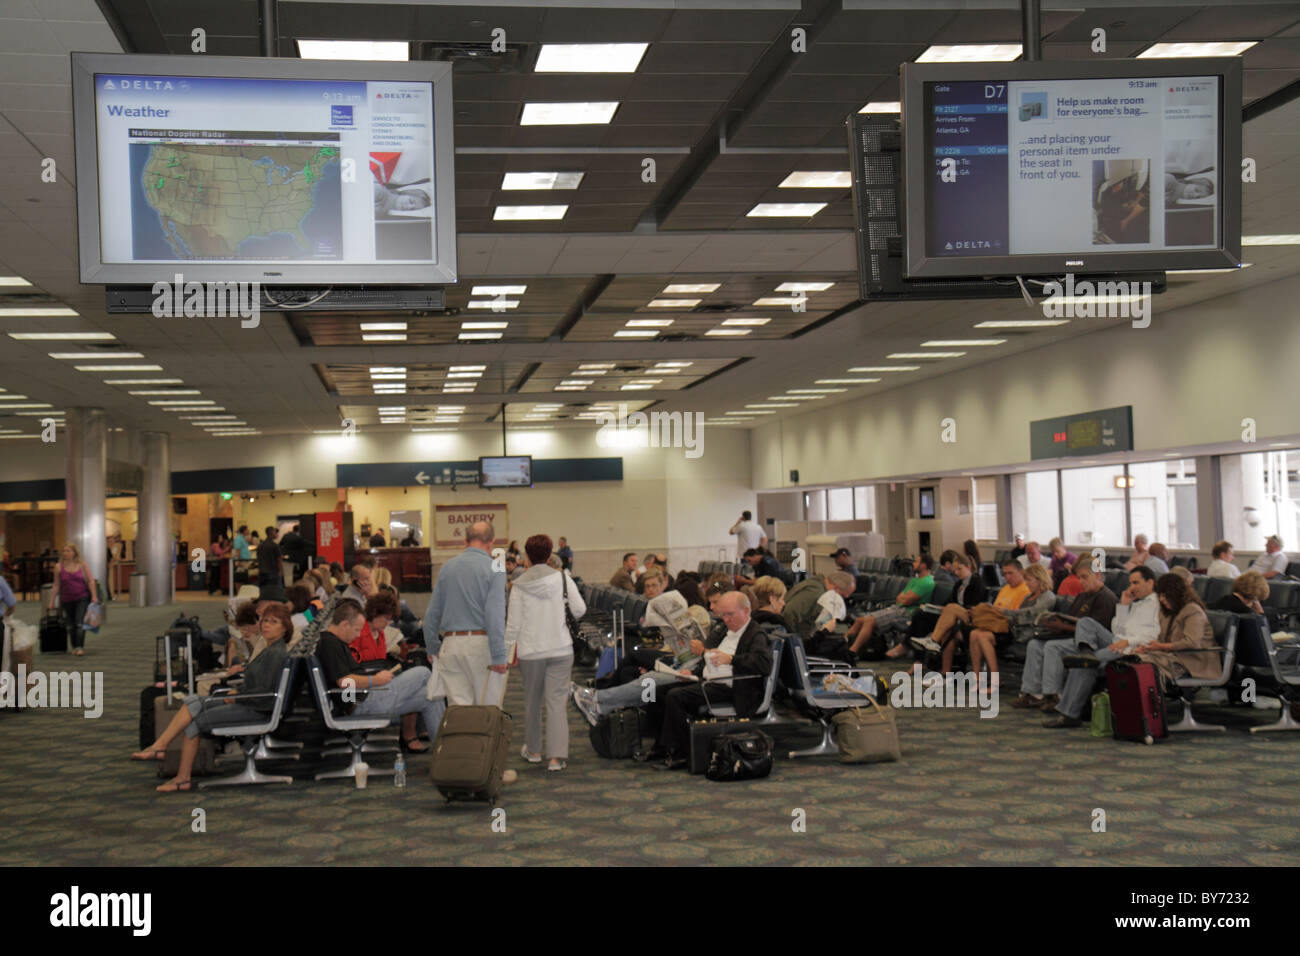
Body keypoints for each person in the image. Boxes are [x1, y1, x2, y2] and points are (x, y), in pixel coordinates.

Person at [133, 604, 293, 792]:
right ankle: (160, 747)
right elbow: (257, 685)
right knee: (192, 701)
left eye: (273, 622)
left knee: (195, 722)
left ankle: (181, 777)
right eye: (265, 620)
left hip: (256, 709)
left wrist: (237, 697)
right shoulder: (269, 649)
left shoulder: (275, 654)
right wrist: (237, 693)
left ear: (284, 628)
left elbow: (265, 694)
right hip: (249, 702)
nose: (266, 625)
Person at [644, 591, 773, 770]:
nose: (726, 619)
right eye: (723, 614)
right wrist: (692, 671)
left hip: (732, 686)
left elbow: (764, 664)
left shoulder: (755, 634)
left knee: (675, 697)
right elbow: (708, 656)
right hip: (707, 680)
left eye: (730, 614)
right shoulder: (724, 631)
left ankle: (683, 752)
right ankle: (660, 745)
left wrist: (731, 659)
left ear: (746, 611)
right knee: (654, 691)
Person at [1038, 566, 1162, 726]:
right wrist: (1124, 606)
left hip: (1132, 648)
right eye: (1130, 583)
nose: (1132, 587)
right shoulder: (1135, 603)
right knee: (1085, 622)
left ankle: (1069, 715)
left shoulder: (1157, 604)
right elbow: (1117, 629)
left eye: (1136, 583)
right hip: (1116, 641)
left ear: (1150, 583)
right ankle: (1086, 650)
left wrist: (1129, 641)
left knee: (1084, 664)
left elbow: (1155, 634)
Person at [317, 600, 441, 754]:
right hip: (361, 703)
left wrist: (373, 677)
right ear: (344, 625)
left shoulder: (333, 642)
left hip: (365, 697)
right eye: (356, 630)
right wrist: (374, 680)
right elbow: (344, 682)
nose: (357, 635)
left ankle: (444, 752)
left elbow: (348, 677)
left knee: (430, 697)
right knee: (423, 672)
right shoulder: (329, 644)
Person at [508, 534, 586, 773]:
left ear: (527, 556)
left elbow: (513, 624)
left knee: (532, 702)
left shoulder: (518, 585)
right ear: (551, 553)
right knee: (556, 702)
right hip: (561, 648)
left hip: (531, 652)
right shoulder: (563, 579)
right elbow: (580, 609)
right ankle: (556, 757)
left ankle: (533, 751)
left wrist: (505, 653)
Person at [1010, 562, 1118, 713]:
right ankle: (1033, 693)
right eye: (1079, 577)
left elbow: (1095, 631)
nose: (1081, 581)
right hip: (1071, 636)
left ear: (1098, 576)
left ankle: (1054, 695)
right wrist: (1056, 624)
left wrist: (1062, 626)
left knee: (1052, 647)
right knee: (1035, 644)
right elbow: (1070, 619)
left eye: (1084, 577)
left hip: (1090, 644)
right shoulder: (1082, 596)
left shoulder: (1106, 598)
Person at [422, 520, 508, 706]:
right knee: (488, 711)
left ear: (465, 541)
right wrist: (499, 655)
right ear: (491, 542)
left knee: (459, 713)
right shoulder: (496, 568)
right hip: (480, 646)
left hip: (450, 645)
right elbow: (494, 615)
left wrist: (432, 647)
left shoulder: (447, 567)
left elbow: (431, 615)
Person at [969, 562, 1057, 686]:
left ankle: (995, 681)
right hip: (1016, 629)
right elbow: (1018, 615)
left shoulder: (1048, 597)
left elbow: (1032, 613)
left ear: (1039, 579)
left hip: (1026, 634)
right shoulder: (1029, 597)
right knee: (974, 633)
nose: (1026, 583)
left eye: (1029, 580)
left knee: (983, 636)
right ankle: (977, 678)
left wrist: (1005, 612)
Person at [848, 556, 935, 658]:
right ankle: (843, 644)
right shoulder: (915, 580)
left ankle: (851, 652)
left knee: (869, 621)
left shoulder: (927, 582)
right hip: (898, 608)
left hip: (908, 613)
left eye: (916, 562)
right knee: (859, 620)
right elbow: (899, 598)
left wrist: (903, 599)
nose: (913, 564)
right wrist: (903, 599)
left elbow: (906, 600)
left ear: (923, 565)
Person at [50, 543, 99, 657]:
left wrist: (94, 596)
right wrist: (51, 601)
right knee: (70, 624)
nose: (65, 553)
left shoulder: (82, 565)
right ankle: (74, 646)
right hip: (66, 599)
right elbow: (56, 585)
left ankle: (79, 646)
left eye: (68, 551)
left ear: (74, 553)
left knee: (79, 622)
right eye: (64, 551)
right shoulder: (58, 567)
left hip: (82, 597)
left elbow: (91, 581)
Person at [784, 570, 857, 643]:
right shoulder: (815, 592)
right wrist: (793, 642)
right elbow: (789, 613)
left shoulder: (818, 586)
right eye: (842, 596)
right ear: (836, 588)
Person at [256, 526, 283, 598]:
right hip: (273, 572)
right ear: (272, 533)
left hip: (262, 571)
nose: (276, 534)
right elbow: (279, 559)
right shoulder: (274, 545)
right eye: (275, 532)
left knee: (263, 592)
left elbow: (258, 558)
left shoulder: (260, 545)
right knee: (275, 592)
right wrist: (280, 571)